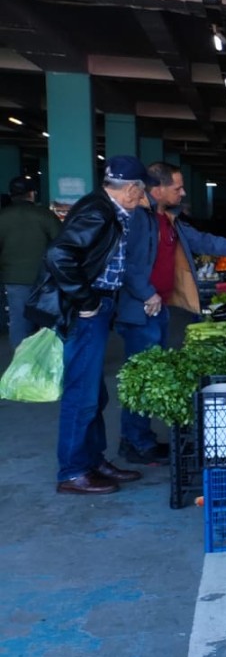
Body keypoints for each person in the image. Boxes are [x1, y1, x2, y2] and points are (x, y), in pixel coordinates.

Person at [113, 162, 226, 465]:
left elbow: (201, 240)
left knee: (147, 372)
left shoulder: (169, 219)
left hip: (159, 306)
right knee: (143, 376)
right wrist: (147, 293)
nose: (182, 193)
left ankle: (138, 438)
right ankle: (135, 442)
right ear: (156, 189)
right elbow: (126, 264)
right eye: (177, 188)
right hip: (141, 307)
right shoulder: (139, 221)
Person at [25, 156, 156, 495]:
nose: (143, 199)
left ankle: (93, 461)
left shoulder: (105, 208)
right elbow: (59, 256)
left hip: (97, 307)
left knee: (93, 394)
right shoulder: (99, 211)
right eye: (141, 192)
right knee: (81, 394)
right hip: (86, 311)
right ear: (130, 189)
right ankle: (72, 472)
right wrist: (87, 301)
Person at [0, 175, 61, 349]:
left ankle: (20, 364)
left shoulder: (2, 216)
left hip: (14, 278)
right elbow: (60, 243)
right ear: (32, 194)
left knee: (19, 321)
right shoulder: (44, 215)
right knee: (48, 320)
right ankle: (47, 360)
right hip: (45, 278)